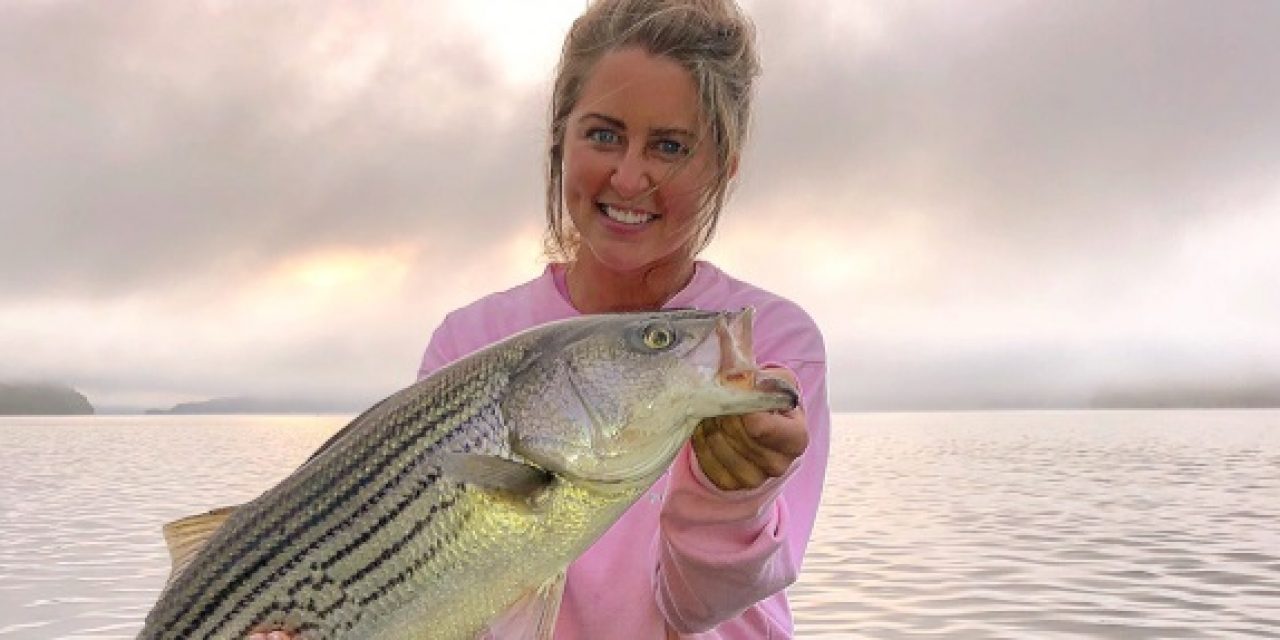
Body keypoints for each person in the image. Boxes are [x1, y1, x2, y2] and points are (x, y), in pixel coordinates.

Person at [250, 0, 829, 637]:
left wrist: (731, 496)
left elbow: (702, 610)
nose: (630, 176)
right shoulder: (467, 342)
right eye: (604, 134)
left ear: (724, 166)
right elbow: (437, 602)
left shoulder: (767, 344)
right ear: (560, 137)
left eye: (670, 146)